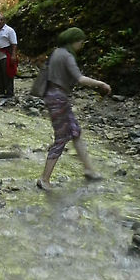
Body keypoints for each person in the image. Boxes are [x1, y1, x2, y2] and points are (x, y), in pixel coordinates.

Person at [37, 27, 111, 191]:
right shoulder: (67, 56)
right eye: (81, 41)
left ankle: (89, 169)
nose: (82, 45)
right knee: (62, 138)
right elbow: (80, 79)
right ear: (74, 41)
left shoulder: (56, 52)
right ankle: (44, 179)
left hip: (52, 96)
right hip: (59, 99)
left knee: (75, 132)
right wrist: (101, 84)